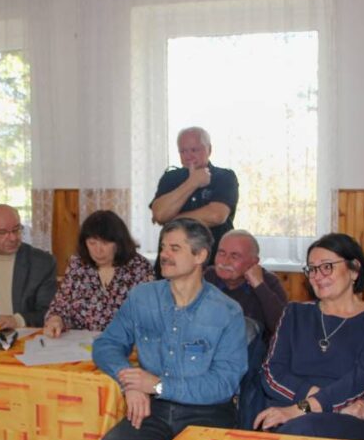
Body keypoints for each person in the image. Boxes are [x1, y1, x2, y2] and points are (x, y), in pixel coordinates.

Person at [79, 218, 247, 440]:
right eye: (162, 247)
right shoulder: (142, 297)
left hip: (207, 414)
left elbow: (223, 383)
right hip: (151, 412)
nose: (164, 255)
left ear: (200, 256)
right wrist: (130, 381)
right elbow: (107, 344)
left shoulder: (227, 312)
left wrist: (158, 385)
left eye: (175, 248)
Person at [251, 233, 364, 440]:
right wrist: (332, 406)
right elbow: (271, 374)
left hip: (359, 420)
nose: (317, 276)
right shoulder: (294, 313)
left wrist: (301, 409)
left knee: (303, 428)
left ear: (354, 270)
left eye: (327, 266)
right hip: (307, 411)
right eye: (312, 268)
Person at [42, 210, 152, 337]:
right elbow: (60, 306)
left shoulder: (139, 267)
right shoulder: (78, 265)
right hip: (80, 344)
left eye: (105, 243)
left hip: (125, 344)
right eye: (92, 243)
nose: (98, 250)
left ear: (119, 243)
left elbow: (149, 316)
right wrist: (56, 319)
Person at [150, 127, 239, 265]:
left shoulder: (224, 177)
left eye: (194, 150)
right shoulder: (170, 178)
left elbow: (216, 215)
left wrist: (174, 220)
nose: (188, 155)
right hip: (172, 263)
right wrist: (192, 183)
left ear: (209, 149)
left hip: (213, 264)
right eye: (183, 151)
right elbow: (160, 215)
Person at [203, 229, 286, 343]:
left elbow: (283, 329)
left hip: (253, 356)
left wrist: (259, 286)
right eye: (221, 253)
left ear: (254, 262)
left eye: (234, 256)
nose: (225, 262)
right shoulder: (205, 277)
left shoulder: (268, 282)